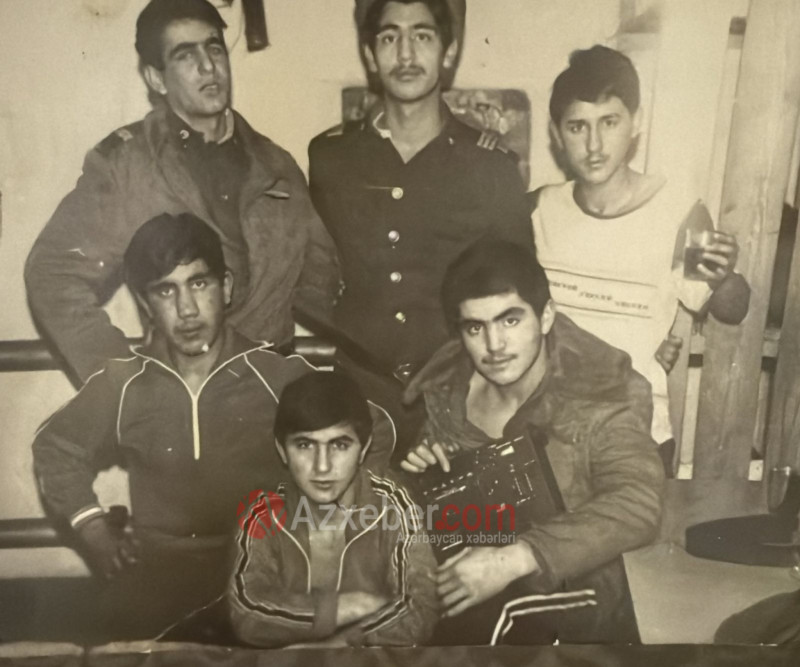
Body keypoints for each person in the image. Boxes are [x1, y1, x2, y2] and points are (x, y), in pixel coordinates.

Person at [31, 213, 392, 641]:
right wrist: (93, 531)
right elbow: (57, 448)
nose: (186, 310)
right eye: (166, 290)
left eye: (199, 284)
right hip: (160, 572)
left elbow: (375, 427)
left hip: (263, 565)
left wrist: (329, 522)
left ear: (227, 287)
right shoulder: (124, 384)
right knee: (111, 644)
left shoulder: (274, 376)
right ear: (146, 304)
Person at [25, 0, 338, 385]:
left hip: (270, 397)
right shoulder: (127, 166)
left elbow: (322, 285)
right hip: (179, 397)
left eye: (215, 48)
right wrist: (123, 383)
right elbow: (53, 272)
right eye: (186, 55)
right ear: (156, 78)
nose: (208, 67)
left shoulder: (277, 166)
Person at [307, 0, 532, 456]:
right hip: (359, 394)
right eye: (389, 38)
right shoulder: (331, 159)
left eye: (422, 36)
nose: (406, 55)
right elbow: (314, 273)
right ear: (370, 55)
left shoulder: (490, 166)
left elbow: (522, 296)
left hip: (462, 397)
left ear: (448, 53)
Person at [400, 240, 664, 644]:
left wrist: (515, 558)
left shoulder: (600, 392)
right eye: (475, 327)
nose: (494, 345)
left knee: (488, 624)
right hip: (469, 580)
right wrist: (423, 479)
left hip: (574, 587)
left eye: (510, 321)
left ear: (546, 317)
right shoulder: (446, 394)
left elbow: (637, 503)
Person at [531, 45, 750, 466]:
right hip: (549, 434)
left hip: (638, 435)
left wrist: (724, 276)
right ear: (557, 134)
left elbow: (732, 309)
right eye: (577, 127)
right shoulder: (537, 210)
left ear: (637, 122)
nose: (594, 144)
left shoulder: (680, 212)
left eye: (609, 122)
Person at [228, 370, 438, 647]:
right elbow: (247, 611)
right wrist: (344, 607)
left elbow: (419, 609)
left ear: (364, 449)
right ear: (282, 450)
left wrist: (336, 647)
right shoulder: (263, 514)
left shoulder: (392, 505)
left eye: (340, 445)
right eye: (305, 445)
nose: (323, 466)